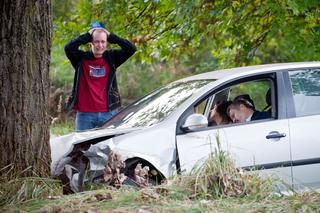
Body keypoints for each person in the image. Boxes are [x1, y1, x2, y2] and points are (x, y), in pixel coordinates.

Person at [65, 21, 136, 131]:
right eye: (96, 41)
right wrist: (88, 35)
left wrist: (111, 36)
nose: (100, 45)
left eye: (103, 41)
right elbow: (68, 48)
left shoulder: (112, 58)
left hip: (108, 114)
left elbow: (131, 49)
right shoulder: (81, 59)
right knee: (81, 148)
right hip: (85, 115)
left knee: (107, 147)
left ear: (107, 42)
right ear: (91, 43)